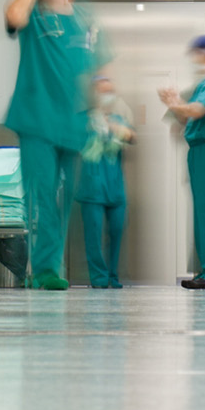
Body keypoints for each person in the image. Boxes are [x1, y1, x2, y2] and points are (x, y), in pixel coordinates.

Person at [4, 0, 98, 290]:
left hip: (73, 126)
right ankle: (43, 269)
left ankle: (48, 265)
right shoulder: (32, 12)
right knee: (42, 194)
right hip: (37, 122)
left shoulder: (82, 19)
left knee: (63, 201)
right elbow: (13, 16)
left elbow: (92, 70)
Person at [158, 36, 205, 290]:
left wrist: (174, 102)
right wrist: (176, 106)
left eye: (197, 54)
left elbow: (197, 111)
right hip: (202, 150)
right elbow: (187, 117)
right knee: (204, 213)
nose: (194, 59)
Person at [75, 71, 134, 288]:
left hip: (116, 190)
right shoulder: (82, 120)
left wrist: (116, 128)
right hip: (92, 189)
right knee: (94, 238)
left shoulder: (119, 119)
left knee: (117, 233)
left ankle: (113, 277)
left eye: (110, 91)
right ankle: (99, 279)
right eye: (102, 91)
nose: (107, 95)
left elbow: (132, 136)